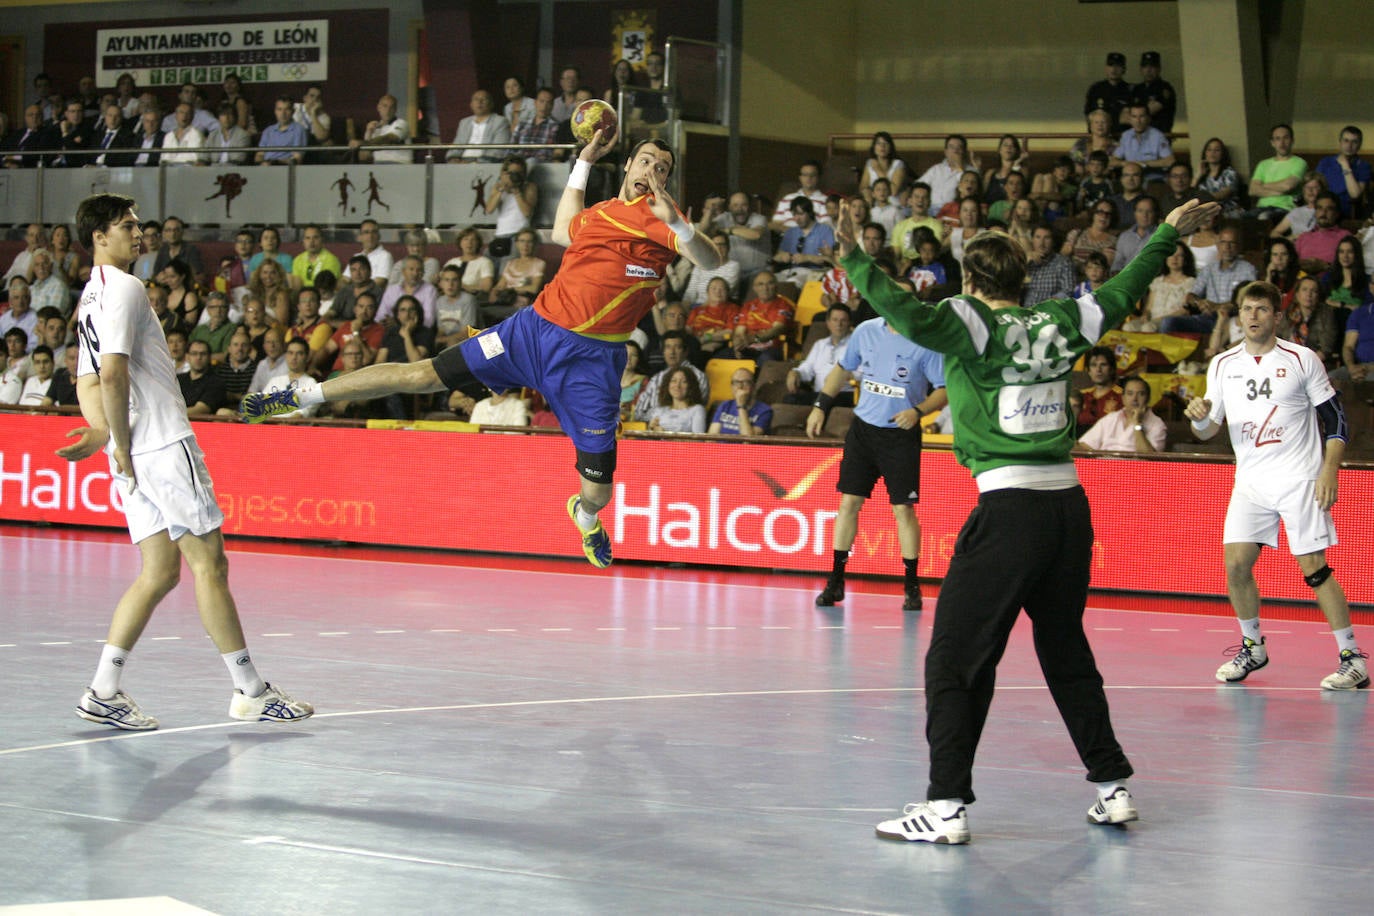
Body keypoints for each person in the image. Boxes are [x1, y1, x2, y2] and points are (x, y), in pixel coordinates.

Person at [836, 195, 1225, 843]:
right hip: (1068, 512)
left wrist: (853, 254)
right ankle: (1112, 786)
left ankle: (945, 807)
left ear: (972, 280)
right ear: (1021, 279)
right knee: (1064, 647)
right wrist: (1162, 234)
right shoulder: (1062, 319)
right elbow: (1126, 290)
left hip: (1009, 510)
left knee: (953, 660)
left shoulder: (967, 322)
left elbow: (900, 310)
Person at [242, 133, 723, 569]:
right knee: (422, 375)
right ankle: (301, 396)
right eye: (645, 161)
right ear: (627, 167)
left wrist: (677, 226)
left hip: (593, 364)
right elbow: (561, 229)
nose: (652, 172)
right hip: (529, 333)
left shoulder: (663, 219)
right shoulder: (598, 215)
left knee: (598, 488)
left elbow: (711, 259)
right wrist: (581, 162)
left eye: (662, 167)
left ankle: (585, 514)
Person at [59, 193, 312, 731]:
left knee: (158, 572)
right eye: (127, 225)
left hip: (130, 451)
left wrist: (107, 436)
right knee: (209, 566)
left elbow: (84, 380)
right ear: (100, 236)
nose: (139, 231)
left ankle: (102, 690)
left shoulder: (89, 297)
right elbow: (110, 373)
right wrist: (123, 441)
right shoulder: (124, 286)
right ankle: (251, 692)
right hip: (161, 444)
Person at [1185, 281, 1362, 689]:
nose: (1252, 316)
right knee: (1235, 565)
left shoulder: (1302, 359)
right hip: (1250, 480)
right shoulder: (1223, 364)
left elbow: (1335, 420)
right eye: (1247, 309)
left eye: (1262, 309)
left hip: (1300, 477)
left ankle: (1352, 658)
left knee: (1314, 569)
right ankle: (1253, 648)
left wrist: (1329, 471)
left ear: (1276, 316)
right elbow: (1207, 430)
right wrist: (1198, 416)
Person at [806, 314, 946, 612]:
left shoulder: (925, 339)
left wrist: (918, 411)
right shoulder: (867, 331)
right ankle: (836, 580)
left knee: (903, 509)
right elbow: (842, 370)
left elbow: (944, 389)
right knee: (848, 504)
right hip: (863, 431)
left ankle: (911, 586)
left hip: (901, 434)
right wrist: (821, 406)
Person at [1077, 376, 1166, 452]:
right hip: (1104, 468)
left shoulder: (1157, 424)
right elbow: (1085, 446)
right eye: (1130, 394)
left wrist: (1137, 424)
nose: (1134, 399)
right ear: (1123, 398)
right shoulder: (1111, 418)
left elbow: (1150, 459)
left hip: (1135, 470)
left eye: (1140, 394)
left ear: (1148, 398)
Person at [786, 304, 853, 405]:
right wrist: (795, 373)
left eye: (843, 320)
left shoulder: (857, 345)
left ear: (849, 323)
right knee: (789, 399)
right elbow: (806, 369)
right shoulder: (820, 344)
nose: (839, 324)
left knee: (819, 402)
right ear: (828, 323)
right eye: (835, 320)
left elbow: (863, 374)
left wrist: (843, 377)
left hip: (844, 394)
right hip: (819, 395)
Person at [1248, 124, 1307, 220]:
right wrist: (1278, 192)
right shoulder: (1263, 164)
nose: (1282, 143)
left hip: (1285, 208)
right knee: (1238, 219)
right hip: (1261, 207)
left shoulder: (1300, 163)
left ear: (1292, 140)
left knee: (1264, 217)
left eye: (1286, 138)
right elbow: (1252, 190)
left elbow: (1288, 186)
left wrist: (1263, 185)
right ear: (1272, 143)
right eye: (1278, 139)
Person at [1314, 125, 1369, 219]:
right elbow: (1315, 187)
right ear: (1340, 142)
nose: (1349, 145)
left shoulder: (1363, 166)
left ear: (1359, 145)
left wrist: (1345, 165)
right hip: (1321, 207)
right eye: (1346, 140)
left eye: (1354, 142)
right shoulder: (1326, 162)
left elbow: (1355, 194)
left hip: (1344, 210)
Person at [447, 90, 511, 162]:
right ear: (471, 104)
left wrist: (475, 162)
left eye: (484, 99)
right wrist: (453, 158)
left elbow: (498, 151)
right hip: (462, 162)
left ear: (491, 104)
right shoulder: (464, 122)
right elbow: (456, 147)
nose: (479, 102)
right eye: (476, 99)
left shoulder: (500, 122)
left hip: (485, 163)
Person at [708, 366, 772, 435]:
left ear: (753, 387)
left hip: (741, 446)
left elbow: (749, 441)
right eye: (736, 382)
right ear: (732, 387)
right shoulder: (725, 405)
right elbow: (711, 438)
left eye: (745, 382)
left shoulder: (765, 411)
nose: (740, 387)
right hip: (722, 446)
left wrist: (741, 406)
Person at [646, 365, 706, 434]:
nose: (677, 386)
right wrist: (651, 429)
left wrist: (665, 435)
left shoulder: (697, 410)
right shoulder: (659, 410)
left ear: (691, 386)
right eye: (673, 381)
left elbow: (698, 441)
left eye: (684, 381)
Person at [351, 93, 409, 164]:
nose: (388, 110)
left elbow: (390, 139)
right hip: (378, 165)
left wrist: (362, 143)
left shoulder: (402, 123)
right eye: (385, 106)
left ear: (395, 110)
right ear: (378, 108)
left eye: (392, 107)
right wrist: (369, 132)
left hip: (399, 164)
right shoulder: (374, 127)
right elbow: (364, 156)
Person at [1083, 51, 1132, 132]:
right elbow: (1089, 115)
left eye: (1118, 66)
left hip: (1121, 138)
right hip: (1099, 138)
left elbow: (1129, 119)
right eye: (1111, 65)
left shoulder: (1130, 90)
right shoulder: (1096, 89)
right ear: (1106, 68)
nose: (1114, 69)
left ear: (1124, 69)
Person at [1131, 51, 1177, 134]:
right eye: (1145, 66)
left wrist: (1135, 115)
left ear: (1159, 69)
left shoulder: (1165, 88)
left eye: (1152, 66)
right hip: (1140, 137)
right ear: (1141, 69)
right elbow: (1125, 116)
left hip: (1159, 136)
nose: (1148, 70)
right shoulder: (1137, 89)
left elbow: (1147, 112)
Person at [256, 95, 308, 165]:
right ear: (275, 111)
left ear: (293, 111)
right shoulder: (268, 131)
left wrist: (275, 162)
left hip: (285, 169)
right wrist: (263, 162)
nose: (283, 113)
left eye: (287, 109)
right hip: (265, 167)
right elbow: (259, 156)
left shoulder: (299, 129)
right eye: (279, 109)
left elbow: (297, 160)